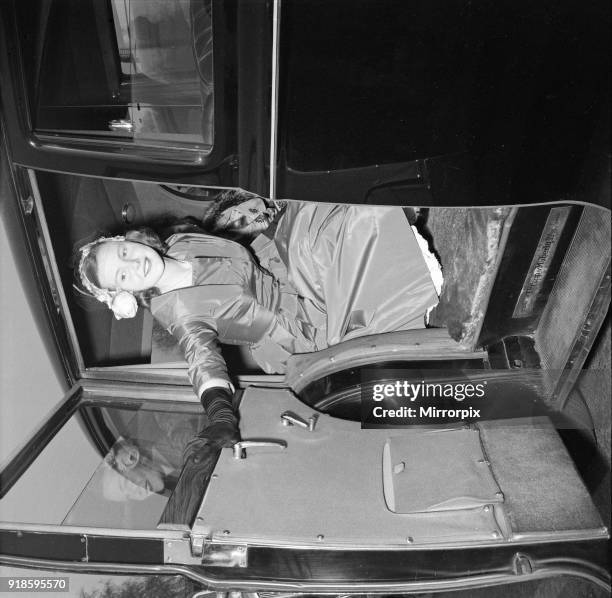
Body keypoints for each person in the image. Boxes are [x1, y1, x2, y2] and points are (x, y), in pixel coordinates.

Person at [72, 196, 441, 444]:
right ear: (124, 295)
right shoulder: (180, 313)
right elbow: (203, 361)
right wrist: (218, 412)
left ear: (129, 240)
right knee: (341, 270)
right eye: (123, 276)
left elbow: (240, 255)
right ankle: (407, 269)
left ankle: (400, 228)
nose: (134, 264)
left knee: (314, 218)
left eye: (123, 253)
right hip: (296, 326)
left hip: (282, 275)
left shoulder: (176, 244)